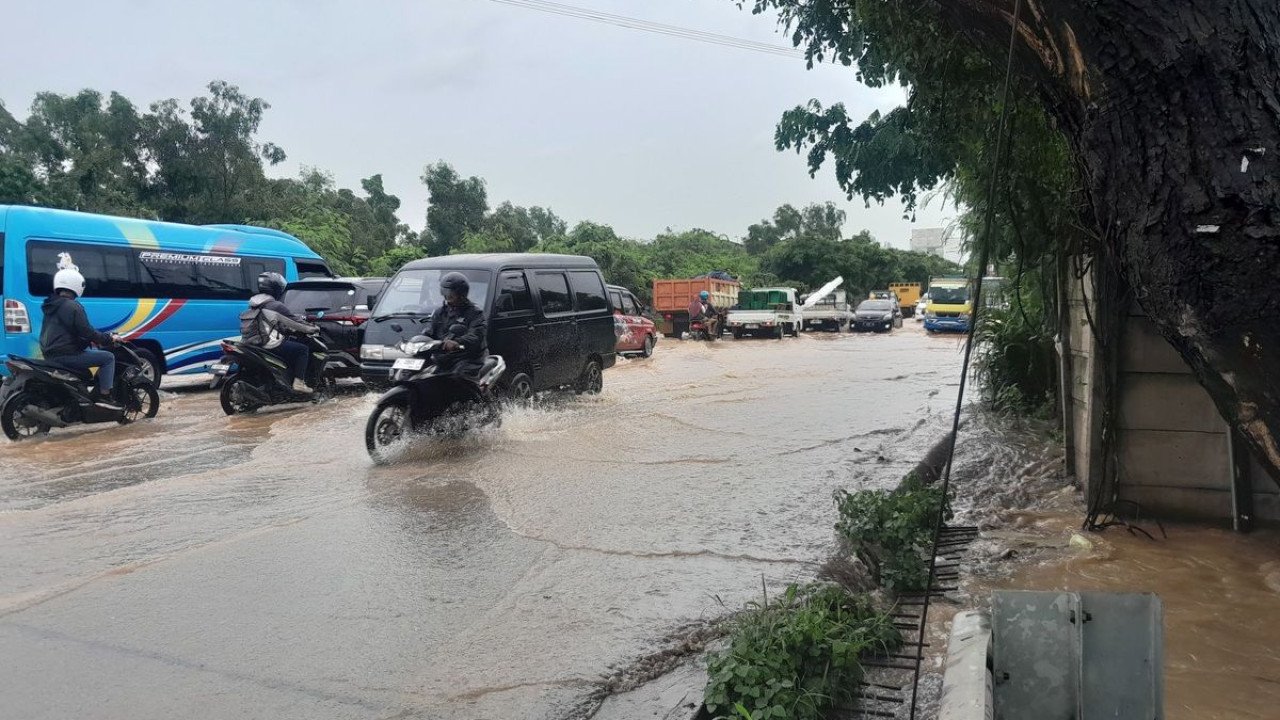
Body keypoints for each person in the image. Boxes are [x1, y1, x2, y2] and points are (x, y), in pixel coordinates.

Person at [39, 263, 122, 410]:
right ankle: (105, 396)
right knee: (108, 357)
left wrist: (89, 340)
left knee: (91, 355)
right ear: (76, 284)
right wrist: (109, 339)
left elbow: (72, 332)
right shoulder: (72, 306)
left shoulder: (51, 305)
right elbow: (87, 332)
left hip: (50, 353)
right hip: (66, 355)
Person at [240, 272, 319, 393]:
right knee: (302, 349)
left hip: (251, 343)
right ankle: (299, 383)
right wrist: (313, 328)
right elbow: (296, 323)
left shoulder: (253, 304)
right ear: (277, 289)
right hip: (268, 344)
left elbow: (269, 324)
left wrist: (285, 329)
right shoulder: (275, 306)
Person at [426, 272, 487, 371]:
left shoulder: (475, 313)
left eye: (451, 293)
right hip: (444, 357)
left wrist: (456, 342)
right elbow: (430, 331)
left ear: (461, 294)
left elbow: (475, 336)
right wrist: (419, 340)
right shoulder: (440, 312)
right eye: (445, 291)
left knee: (458, 375)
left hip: (468, 357)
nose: (447, 295)